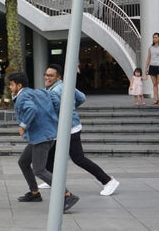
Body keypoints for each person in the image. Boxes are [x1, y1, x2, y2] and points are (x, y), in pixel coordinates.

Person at [41, 64, 120, 196]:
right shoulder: (65, 85)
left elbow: (54, 111)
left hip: (69, 129)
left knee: (78, 158)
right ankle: (52, 180)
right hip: (66, 127)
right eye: (46, 74)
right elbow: (82, 98)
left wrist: (68, 111)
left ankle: (108, 181)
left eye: (51, 75)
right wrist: (72, 108)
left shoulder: (54, 91)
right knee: (50, 154)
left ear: (58, 77)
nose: (47, 77)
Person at [8, 72, 79, 212]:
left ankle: (67, 195)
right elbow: (55, 101)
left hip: (41, 137)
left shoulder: (22, 97)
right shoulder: (39, 92)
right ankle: (34, 193)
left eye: (11, 84)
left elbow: (32, 109)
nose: (10, 87)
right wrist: (54, 118)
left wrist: (23, 125)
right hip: (44, 135)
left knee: (39, 170)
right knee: (23, 162)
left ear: (19, 85)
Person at [145, 32, 159, 105]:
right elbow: (148, 58)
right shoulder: (150, 48)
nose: (154, 39)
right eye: (153, 37)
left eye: (156, 37)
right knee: (154, 84)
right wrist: (146, 68)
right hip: (152, 66)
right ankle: (156, 99)